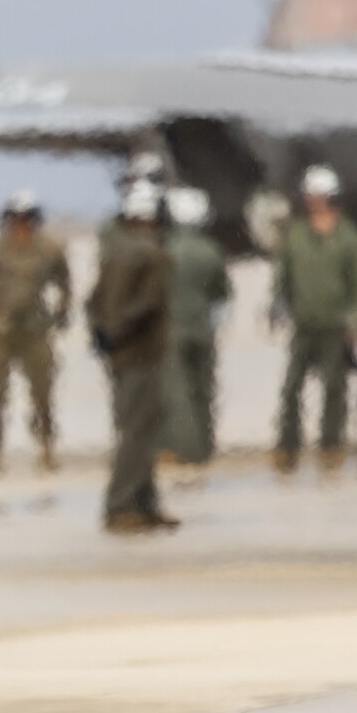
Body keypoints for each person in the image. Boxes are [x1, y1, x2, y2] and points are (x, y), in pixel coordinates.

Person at [86, 181, 176, 534]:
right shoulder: (155, 255)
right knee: (138, 431)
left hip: (118, 356)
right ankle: (122, 504)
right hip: (143, 355)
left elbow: (93, 300)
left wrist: (102, 336)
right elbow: (150, 302)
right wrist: (119, 331)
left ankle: (145, 503)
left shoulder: (113, 251)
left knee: (135, 427)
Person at [272, 165, 357, 474]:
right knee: (291, 389)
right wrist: (276, 306)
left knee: (334, 390)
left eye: (318, 195)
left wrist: (356, 324)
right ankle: (286, 449)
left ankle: (331, 448)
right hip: (304, 325)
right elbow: (282, 276)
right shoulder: (297, 234)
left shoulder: (349, 238)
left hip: (335, 327)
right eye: (310, 195)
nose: (312, 200)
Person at [0, 190, 71, 472]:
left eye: (26, 219)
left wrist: (58, 316)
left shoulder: (50, 249)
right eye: (16, 219)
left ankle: (47, 446)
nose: (21, 225)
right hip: (2, 331)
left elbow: (65, 284)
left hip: (35, 330)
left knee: (42, 390)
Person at [161, 187, 230, 468]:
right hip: (203, 328)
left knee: (179, 392)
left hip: (172, 328)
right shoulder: (212, 251)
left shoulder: (164, 250)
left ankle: (185, 450)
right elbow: (221, 292)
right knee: (204, 389)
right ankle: (204, 448)